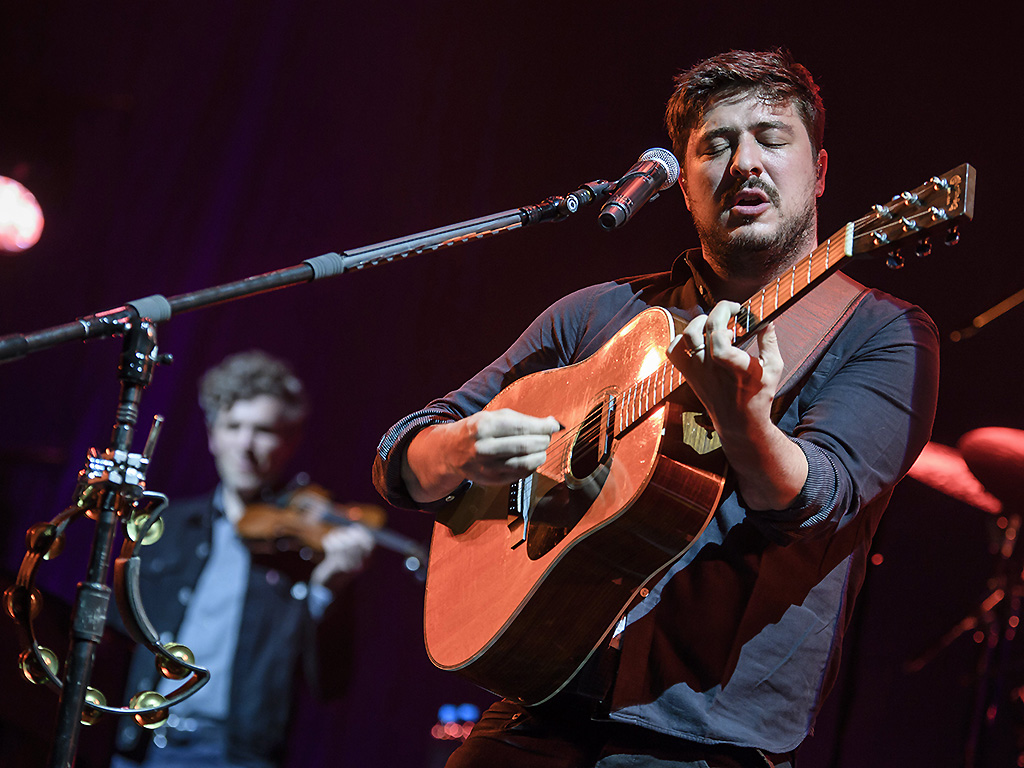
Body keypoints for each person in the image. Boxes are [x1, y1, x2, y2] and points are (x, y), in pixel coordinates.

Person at [372, 49, 940, 767]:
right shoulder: (595, 314)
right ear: (684, 186)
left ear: (819, 170)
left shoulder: (881, 332)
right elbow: (401, 454)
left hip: (705, 738)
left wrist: (742, 420)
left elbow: (817, 504)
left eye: (771, 138)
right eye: (715, 146)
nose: (745, 163)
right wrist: (457, 450)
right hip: (534, 706)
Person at [111, 350, 375, 768]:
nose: (246, 446)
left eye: (264, 430)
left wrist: (329, 592)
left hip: (235, 756)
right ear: (212, 435)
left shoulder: (306, 551)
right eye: (233, 427)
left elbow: (330, 685)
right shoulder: (164, 526)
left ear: (290, 441)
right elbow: (113, 640)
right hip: (138, 745)